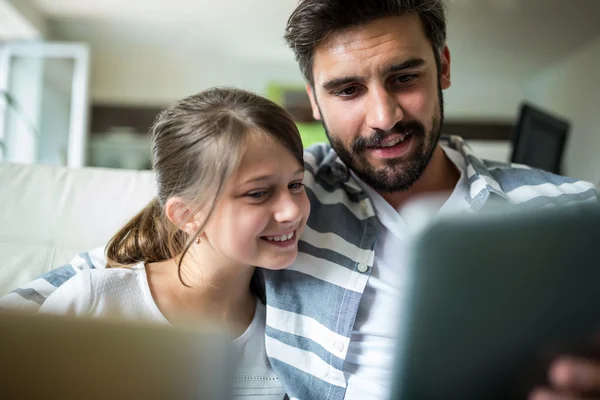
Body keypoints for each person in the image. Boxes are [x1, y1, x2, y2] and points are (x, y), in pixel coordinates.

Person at [1, 1, 598, 399]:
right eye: (346, 90)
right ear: (313, 100)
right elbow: (100, 277)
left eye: (404, 77)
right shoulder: (292, 189)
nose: (383, 116)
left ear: (442, 66)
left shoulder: (569, 211)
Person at [38, 87, 311, 400]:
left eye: (295, 184)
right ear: (186, 214)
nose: (291, 210)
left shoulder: (284, 340)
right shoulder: (94, 301)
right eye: (258, 193)